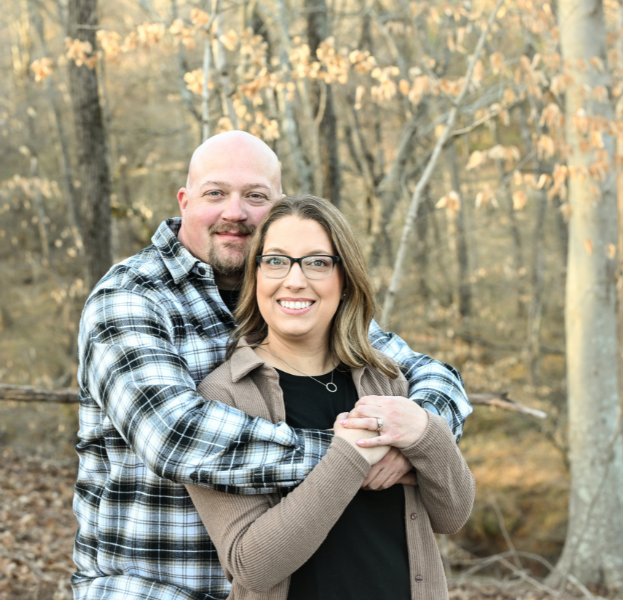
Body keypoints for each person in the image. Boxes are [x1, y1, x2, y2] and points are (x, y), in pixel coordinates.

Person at [72, 131, 472, 599]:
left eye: (255, 196)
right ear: (184, 201)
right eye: (215, 193)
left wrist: (420, 432)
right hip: (157, 586)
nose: (235, 211)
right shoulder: (131, 298)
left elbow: (432, 376)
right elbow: (176, 436)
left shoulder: (299, 297)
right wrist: (356, 452)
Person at [185, 194, 475, 600]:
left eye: (317, 262)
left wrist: (426, 431)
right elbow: (251, 564)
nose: (295, 279)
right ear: (256, 276)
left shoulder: (385, 377)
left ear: (344, 281)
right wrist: (349, 456)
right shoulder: (224, 395)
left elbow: (452, 515)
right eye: (276, 261)